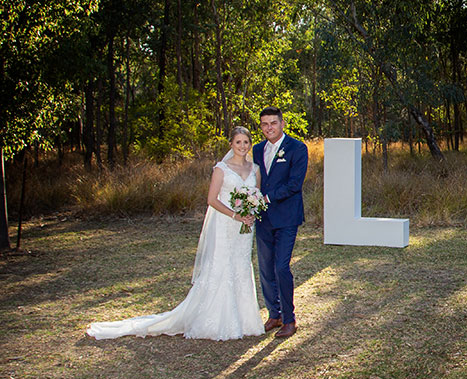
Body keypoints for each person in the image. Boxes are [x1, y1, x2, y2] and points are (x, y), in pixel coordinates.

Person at [87, 127, 264, 340]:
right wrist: (235, 215)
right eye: (238, 142)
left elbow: (256, 195)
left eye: (246, 142)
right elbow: (212, 200)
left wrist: (251, 213)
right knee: (223, 265)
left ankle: (245, 320)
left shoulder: (255, 169)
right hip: (226, 224)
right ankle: (218, 321)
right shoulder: (222, 169)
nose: (242, 146)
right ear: (231, 144)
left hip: (245, 228)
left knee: (241, 265)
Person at [252, 107, 308, 339]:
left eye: (273, 123)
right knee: (265, 268)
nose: (269, 128)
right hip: (262, 218)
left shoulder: (297, 148)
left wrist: (266, 197)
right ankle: (273, 314)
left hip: (286, 217)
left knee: (281, 267)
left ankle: (289, 319)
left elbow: (295, 184)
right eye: (264, 124)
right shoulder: (256, 150)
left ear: (282, 123)